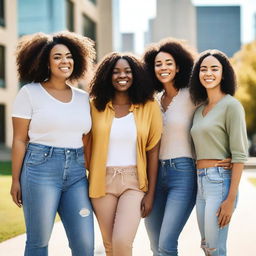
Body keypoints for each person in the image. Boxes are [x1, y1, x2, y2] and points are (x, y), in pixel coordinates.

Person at [142, 38, 232, 256]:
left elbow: (216, 119)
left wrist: (225, 153)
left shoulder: (192, 95)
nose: (163, 68)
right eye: (158, 64)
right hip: (153, 174)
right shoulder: (151, 100)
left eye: (168, 63)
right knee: (155, 247)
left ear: (179, 66)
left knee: (166, 244)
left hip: (183, 174)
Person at [10, 31, 95, 256]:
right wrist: (16, 180)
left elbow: (86, 139)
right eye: (57, 56)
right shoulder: (29, 93)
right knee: (38, 242)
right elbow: (19, 139)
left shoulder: (82, 98)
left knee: (85, 245)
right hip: (39, 169)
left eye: (68, 56)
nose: (64, 61)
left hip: (77, 173)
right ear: (44, 61)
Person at [89, 52, 162, 256]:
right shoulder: (95, 106)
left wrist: (150, 193)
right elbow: (85, 142)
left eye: (128, 71)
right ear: (107, 76)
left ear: (135, 75)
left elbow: (153, 151)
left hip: (134, 182)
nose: (123, 76)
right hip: (101, 182)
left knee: (122, 241)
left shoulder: (149, 106)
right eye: (116, 71)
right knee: (110, 245)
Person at [190, 49, 248, 256]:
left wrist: (230, 199)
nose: (208, 73)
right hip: (201, 184)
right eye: (203, 69)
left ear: (224, 74)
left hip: (220, 182)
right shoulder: (199, 110)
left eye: (215, 69)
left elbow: (240, 155)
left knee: (216, 248)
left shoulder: (232, 106)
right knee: (207, 246)